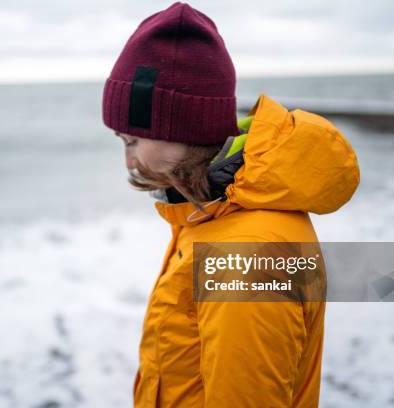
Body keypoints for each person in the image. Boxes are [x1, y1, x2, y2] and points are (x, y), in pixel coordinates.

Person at [101, 2, 360, 407]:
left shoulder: (246, 255)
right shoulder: (214, 214)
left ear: (183, 130)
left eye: (132, 140)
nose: (128, 162)